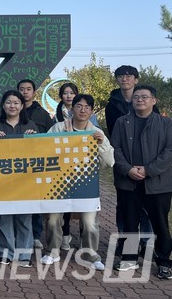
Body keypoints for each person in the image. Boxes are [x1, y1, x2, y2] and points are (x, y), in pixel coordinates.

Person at [41, 94, 114, 271]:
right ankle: (53, 251)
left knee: (89, 223)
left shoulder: (97, 133)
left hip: (85, 184)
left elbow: (109, 162)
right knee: (53, 219)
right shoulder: (58, 128)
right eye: (79, 106)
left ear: (91, 111)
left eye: (87, 107)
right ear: (71, 108)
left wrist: (102, 143)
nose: (82, 110)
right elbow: (42, 149)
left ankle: (90, 253)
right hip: (59, 184)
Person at [111, 85, 172, 279]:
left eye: (144, 97)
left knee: (160, 223)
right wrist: (128, 169)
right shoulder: (122, 122)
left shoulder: (166, 123)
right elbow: (115, 148)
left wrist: (149, 170)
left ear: (154, 100)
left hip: (158, 183)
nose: (139, 100)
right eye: (136, 97)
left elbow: (169, 152)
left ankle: (163, 261)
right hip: (128, 181)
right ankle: (129, 258)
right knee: (129, 222)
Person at [0, 90, 38, 267]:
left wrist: (34, 139)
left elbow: (40, 152)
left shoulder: (30, 125)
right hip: (3, 180)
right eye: (8, 102)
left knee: (24, 218)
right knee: (5, 217)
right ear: (3, 105)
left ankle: (24, 255)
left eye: (16, 103)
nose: (12, 106)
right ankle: (5, 253)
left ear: (22, 106)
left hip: (25, 180)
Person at [105, 65, 154, 251]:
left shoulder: (149, 101)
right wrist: (124, 164)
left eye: (129, 76)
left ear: (135, 79)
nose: (124, 79)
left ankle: (146, 243)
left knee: (148, 204)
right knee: (124, 204)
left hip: (146, 160)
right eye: (120, 76)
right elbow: (114, 136)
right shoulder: (112, 105)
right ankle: (125, 240)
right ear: (116, 80)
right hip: (124, 160)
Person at [17, 78, 53, 249]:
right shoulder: (11, 109)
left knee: (35, 200)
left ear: (34, 92)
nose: (25, 92)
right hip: (14, 165)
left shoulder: (42, 114)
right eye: (21, 89)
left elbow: (51, 137)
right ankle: (20, 234)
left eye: (28, 89)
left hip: (36, 164)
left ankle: (35, 235)